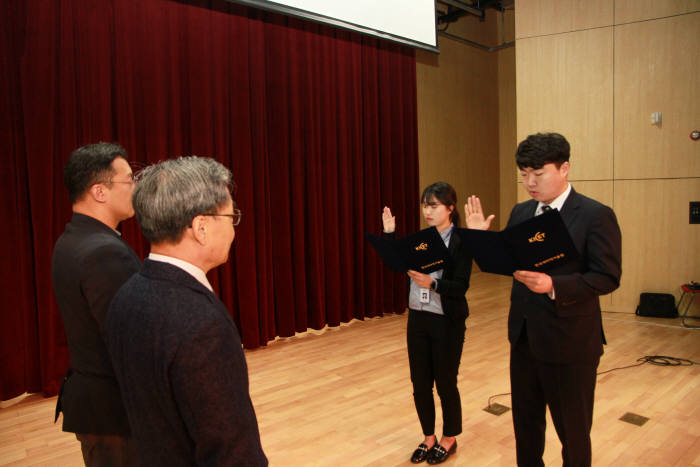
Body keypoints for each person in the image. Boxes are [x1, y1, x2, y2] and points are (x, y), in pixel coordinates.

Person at [465, 132, 622, 466]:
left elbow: (607, 277)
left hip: (571, 343)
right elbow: (507, 263)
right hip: (524, 339)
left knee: (573, 432)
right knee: (526, 426)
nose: (530, 183)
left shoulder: (595, 214)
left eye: (538, 174)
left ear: (564, 168)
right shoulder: (522, 212)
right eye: (524, 175)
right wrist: (480, 240)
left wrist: (554, 284)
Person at [105, 156, 267, 466]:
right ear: (201, 227)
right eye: (230, 216)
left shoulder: (126, 296)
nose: (234, 229)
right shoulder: (202, 326)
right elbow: (231, 452)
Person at [51, 142, 141, 466]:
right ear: (100, 191)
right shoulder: (104, 252)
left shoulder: (72, 238)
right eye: (129, 179)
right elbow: (129, 341)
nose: (135, 187)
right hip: (114, 414)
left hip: (97, 406)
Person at [382, 182, 473, 465]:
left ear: (450, 208)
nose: (428, 211)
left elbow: (461, 285)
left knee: (445, 383)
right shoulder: (423, 238)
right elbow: (396, 262)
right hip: (418, 318)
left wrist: (432, 283)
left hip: (446, 321)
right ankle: (428, 437)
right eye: (425, 205)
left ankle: (449, 438)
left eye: (434, 205)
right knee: (420, 383)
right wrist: (389, 234)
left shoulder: (460, 241)